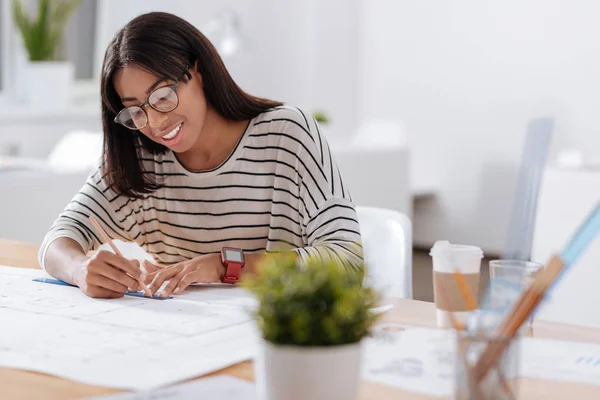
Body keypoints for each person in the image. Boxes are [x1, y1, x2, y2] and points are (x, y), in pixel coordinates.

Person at [39, 11, 362, 299]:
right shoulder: (140, 155)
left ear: (198, 71)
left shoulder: (286, 132)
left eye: (163, 96)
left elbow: (347, 260)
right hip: (189, 334)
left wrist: (225, 266)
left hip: (283, 330)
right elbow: (59, 240)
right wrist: (80, 269)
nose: (155, 122)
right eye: (135, 110)